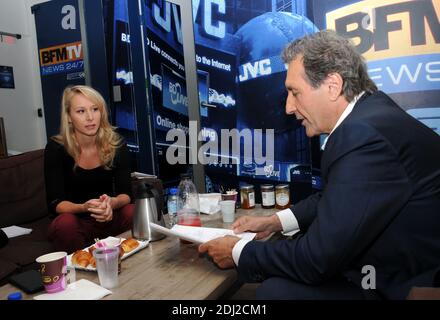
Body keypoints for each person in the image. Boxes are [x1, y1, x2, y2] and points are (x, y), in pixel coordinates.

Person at [199, 30, 440, 300]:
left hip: (404, 285)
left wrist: (237, 252)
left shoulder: (362, 135)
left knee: (275, 293)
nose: (289, 107)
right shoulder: (371, 117)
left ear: (332, 86)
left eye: (294, 92)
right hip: (388, 269)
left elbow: (316, 260)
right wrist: (274, 222)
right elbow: (338, 197)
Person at [45, 85, 133, 254]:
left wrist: (112, 203)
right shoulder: (56, 149)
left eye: (95, 109)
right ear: (69, 117)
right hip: (77, 220)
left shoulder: (117, 144)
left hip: (110, 216)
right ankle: (79, 272)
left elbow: (126, 194)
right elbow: (56, 204)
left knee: (132, 211)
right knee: (65, 223)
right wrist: (85, 207)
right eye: (80, 111)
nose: (90, 117)